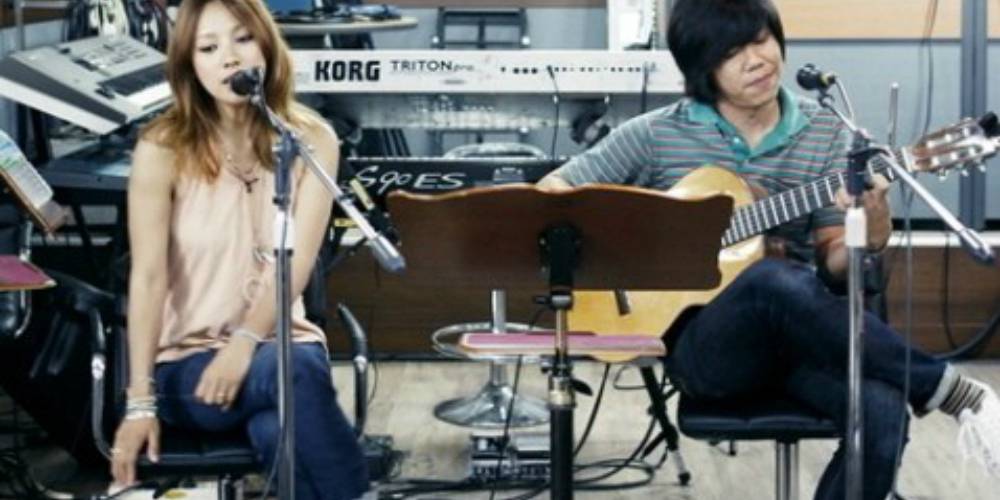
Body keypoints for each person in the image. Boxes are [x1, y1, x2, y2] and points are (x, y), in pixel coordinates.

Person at [538, 0, 1000, 498]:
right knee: (771, 279)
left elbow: (835, 265)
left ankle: (935, 391)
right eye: (731, 53)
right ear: (701, 69)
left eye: (761, 40)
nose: (756, 60)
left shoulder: (826, 131)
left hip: (804, 343)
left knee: (882, 409)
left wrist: (870, 225)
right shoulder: (656, 134)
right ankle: (947, 388)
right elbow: (551, 196)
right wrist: (636, 242)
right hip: (708, 353)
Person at [109, 1, 369, 499]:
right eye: (208, 48)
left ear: (267, 46)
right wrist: (140, 401)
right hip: (189, 364)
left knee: (278, 428)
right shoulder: (161, 148)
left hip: (281, 345)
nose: (229, 57)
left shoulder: (312, 140)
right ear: (190, 65)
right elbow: (148, 278)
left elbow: (295, 262)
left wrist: (245, 343)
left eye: (243, 39)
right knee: (295, 372)